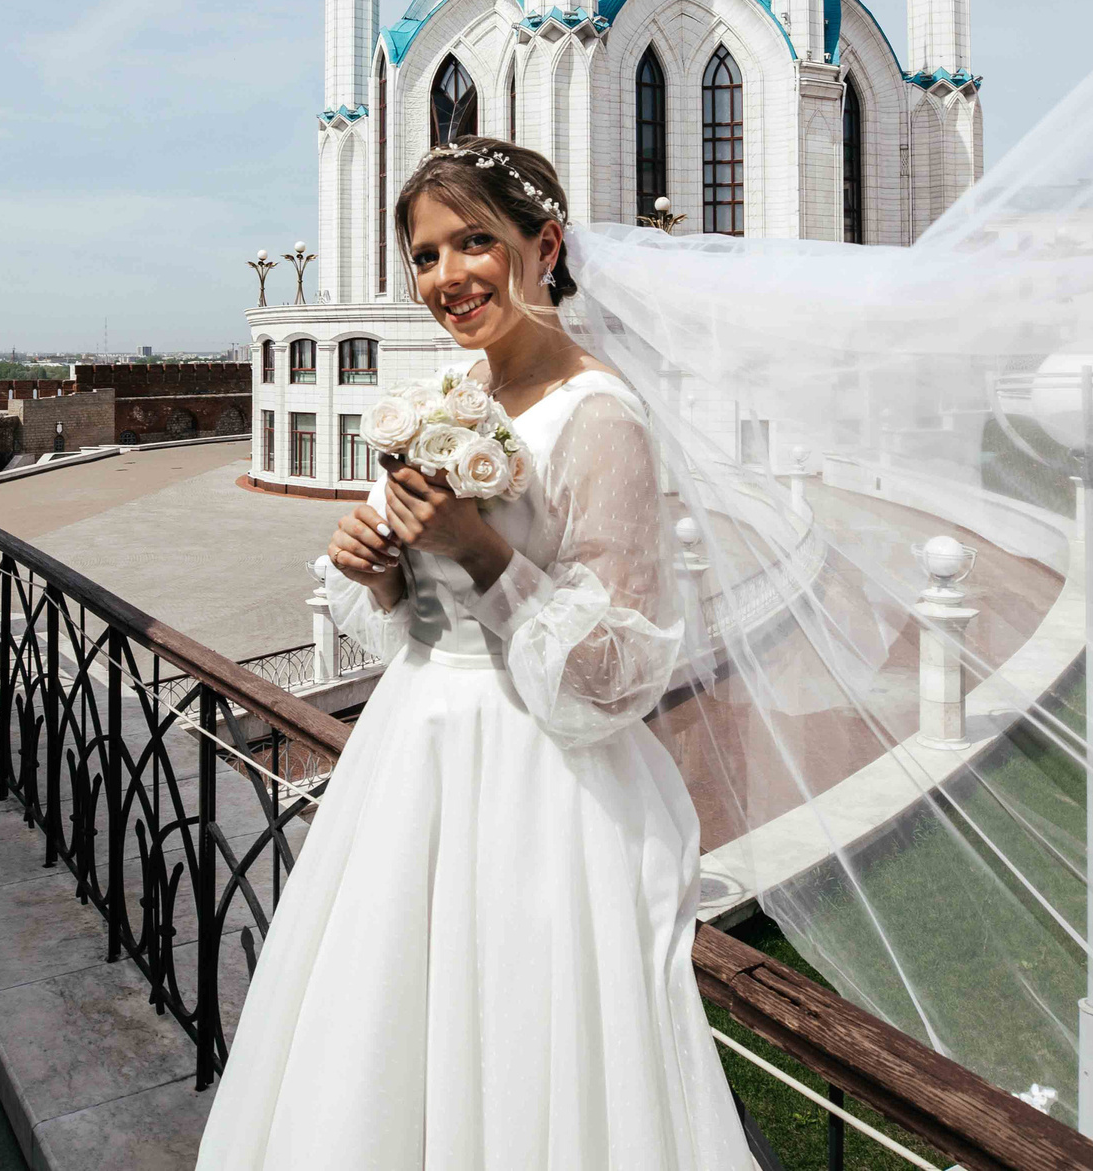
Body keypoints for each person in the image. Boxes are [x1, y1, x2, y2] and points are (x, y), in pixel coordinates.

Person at [195, 138, 754, 1170]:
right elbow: (420, 618)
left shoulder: (601, 417)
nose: (447, 277)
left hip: (540, 782)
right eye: (424, 255)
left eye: (474, 243)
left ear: (544, 246)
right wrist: (376, 568)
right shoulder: (453, 397)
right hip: (413, 758)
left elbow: (616, 681)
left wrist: (481, 551)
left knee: (521, 1052)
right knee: (386, 1038)